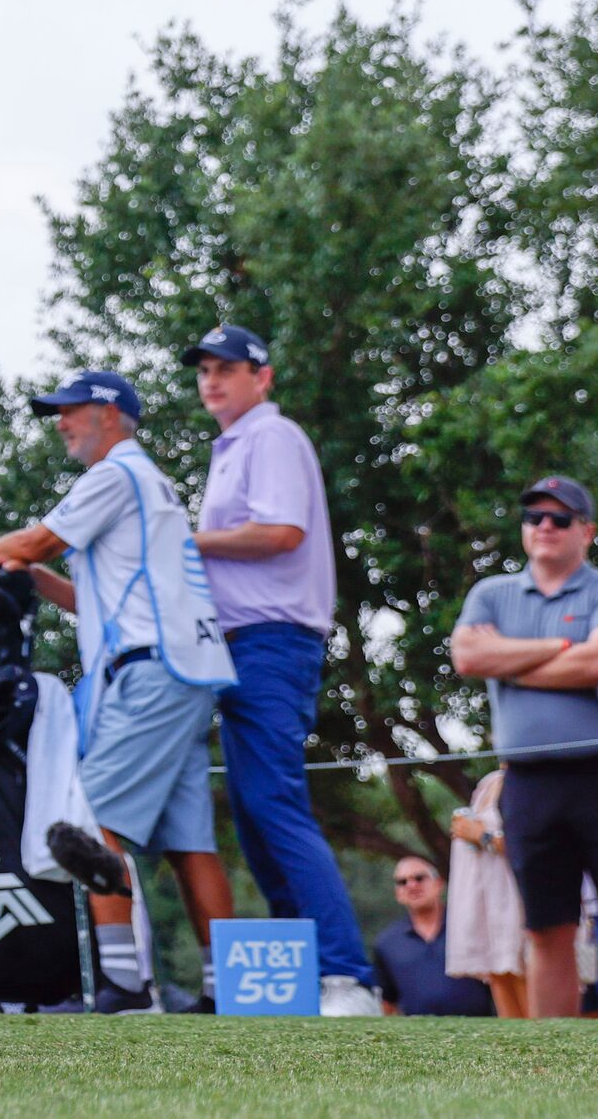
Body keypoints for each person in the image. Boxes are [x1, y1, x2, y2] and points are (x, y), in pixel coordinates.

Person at [0, 369, 237, 1012]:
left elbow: (39, 538)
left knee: (92, 822)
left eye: (70, 410)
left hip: (151, 672)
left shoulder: (116, 474)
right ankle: (227, 990)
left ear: (109, 414)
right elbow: (90, 600)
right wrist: (32, 570)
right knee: (190, 841)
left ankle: (122, 984)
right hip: (181, 670)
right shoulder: (144, 480)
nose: (61, 422)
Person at [181, 324, 379, 1017]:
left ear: (262, 377)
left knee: (275, 808)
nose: (213, 379)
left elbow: (279, 532)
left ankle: (345, 976)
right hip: (239, 642)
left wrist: (181, 538)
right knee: (257, 815)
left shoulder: (271, 436)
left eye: (227, 368)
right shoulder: (234, 446)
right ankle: (305, 976)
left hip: (272, 638)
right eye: (205, 369)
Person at [448, 475, 598, 1019]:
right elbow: (468, 658)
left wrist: (510, 661)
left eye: (561, 519)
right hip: (529, 783)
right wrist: (562, 647)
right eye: (535, 517)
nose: (546, 527)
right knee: (545, 927)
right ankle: (552, 1062)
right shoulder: (491, 593)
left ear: (587, 531)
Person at [446, 768, 529, 1017]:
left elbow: (535, 841)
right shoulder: (489, 782)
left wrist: (482, 837)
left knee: (521, 967)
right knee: (499, 972)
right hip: (483, 896)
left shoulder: (535, 779)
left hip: (516, 896)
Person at [373, 855, 494, 1016]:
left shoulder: (472, 927)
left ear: (439, 884)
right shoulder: (386, 942)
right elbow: (388, 1002)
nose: (411, 885)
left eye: (419, 878)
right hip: (416, 1037)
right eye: (402, 882)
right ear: (398, 894)